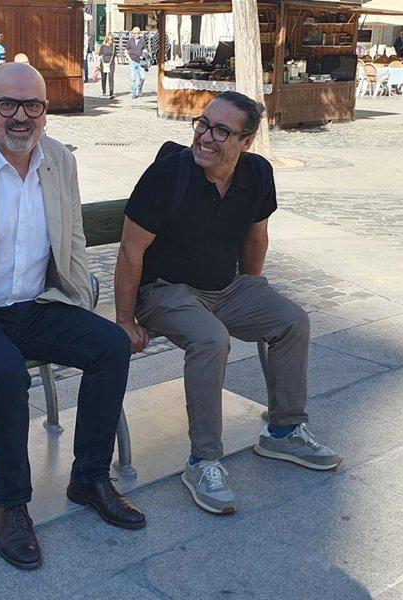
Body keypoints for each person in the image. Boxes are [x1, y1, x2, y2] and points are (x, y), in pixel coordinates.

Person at [0, 63, 145, 571]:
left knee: (110, 345)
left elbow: (72, 242)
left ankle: (89, 478)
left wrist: (81, 308)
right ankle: (12, 506)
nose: (21, 116)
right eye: (7, 104)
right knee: (5, 371)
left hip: (36, 307)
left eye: (33, 105)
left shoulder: (59, 160)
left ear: (46, 110)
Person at [114, 91, 342, 515]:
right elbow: (130, 251)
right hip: (164, 291)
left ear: (246, 141)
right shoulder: (167, 176)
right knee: (211, 339)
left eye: (222, 130)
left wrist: (251, 290)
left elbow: (257, 237)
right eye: (203, 124)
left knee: (293, 320)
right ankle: (203, 460)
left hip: (226, 287)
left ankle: (283, 432)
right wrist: (125, 320)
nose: (206, 137)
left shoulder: (256, 174)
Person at [124, 27, 147, 98]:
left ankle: (139, 88)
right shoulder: (130, 41)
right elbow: (125, 50)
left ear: (140, 33)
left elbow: (145, 50)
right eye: (134, 33)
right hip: (132, 61)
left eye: (138, 33)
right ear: (132, 34)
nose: (136, 34)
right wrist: (128, 58)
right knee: (133, 78)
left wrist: (144, 55)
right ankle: (133, 93)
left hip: (140, 61)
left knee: (142, 77)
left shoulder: (142, 41)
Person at [99, 34, 116, 99]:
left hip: (111, 64)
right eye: (109, 39)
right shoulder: (103, 46)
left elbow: (115, 55)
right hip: (103, 63)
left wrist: (116, 63)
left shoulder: (114, 47)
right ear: (107, 40)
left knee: (111, 78)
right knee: (103, 78)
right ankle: (104, 92)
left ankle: (111, 93)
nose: (111, 41)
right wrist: (98, 65)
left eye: (112, 39)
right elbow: (99, 55)